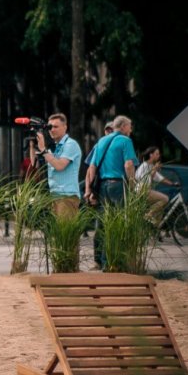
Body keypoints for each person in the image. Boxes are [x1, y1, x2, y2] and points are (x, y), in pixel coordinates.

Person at [84, 115, 137, 269]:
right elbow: (128, 165)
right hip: (118, 185)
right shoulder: (126, 141)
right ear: (123, 126)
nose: (131, 130)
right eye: (130, 126)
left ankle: (101, 261)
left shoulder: (101, 142)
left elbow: (92, 167)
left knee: (102, 224)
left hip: (102, 187)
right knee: (119, 223)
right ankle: (113, 262)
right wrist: (132, 185)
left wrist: (90, 190)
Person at [33, 112, 82, 219]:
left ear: (65, 127)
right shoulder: (55, 147)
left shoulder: (71, 144)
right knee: (57, 235)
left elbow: (59, 166)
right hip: (54, 196)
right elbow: (39, 167)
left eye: (56, 126)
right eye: (50, 127)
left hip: (66, 196)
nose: (52, 130)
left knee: (66, 235)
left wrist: (43, 150)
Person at [135, 146, 177, 219]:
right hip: (142, 190)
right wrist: (155, 169)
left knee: (160, 208)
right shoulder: (144, 165)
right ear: (151, 155)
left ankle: (155, 227)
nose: (159, 155)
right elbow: (147, 178)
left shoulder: (150, 166)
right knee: (165, 199)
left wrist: (172, 184)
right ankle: (147, 215)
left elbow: (159, 178)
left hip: (146, 190)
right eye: (157, 154)